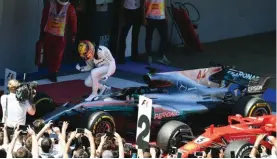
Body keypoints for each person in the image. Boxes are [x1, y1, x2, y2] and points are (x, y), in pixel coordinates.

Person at [39, 0, 77, 82]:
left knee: (56, 55)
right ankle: (51, 71)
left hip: (59, 36)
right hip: (51, 34)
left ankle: (53, 73)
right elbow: (44, 18)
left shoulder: (69, 8)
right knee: (51, 54)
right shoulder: (51, 5)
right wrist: (42, 32)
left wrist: (73, 35)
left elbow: (73, 22)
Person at [144, 0, 171, 65]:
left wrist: (166, 15)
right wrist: (143, 18)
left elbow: (163, 4)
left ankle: (162, 56)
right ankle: (149, 56)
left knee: (164, 37)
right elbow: (144, 6)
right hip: (150, 18)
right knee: (149, 37)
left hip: (161, 18)